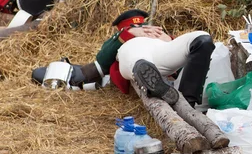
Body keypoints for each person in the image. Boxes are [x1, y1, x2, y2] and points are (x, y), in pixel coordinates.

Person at [32, 9, 214, 108]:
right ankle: (151, 81)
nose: (144, 28)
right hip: (134, 54)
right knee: (138, 60)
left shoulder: (159, 34)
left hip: (164, 52)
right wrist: (128, 33)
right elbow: (101, 62)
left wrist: (167, 38)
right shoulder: (124, 38)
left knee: (202, 38)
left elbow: (186, 58)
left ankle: (187, 103)